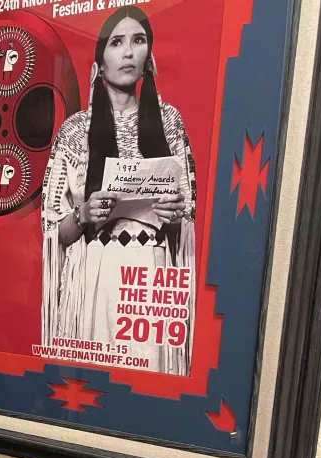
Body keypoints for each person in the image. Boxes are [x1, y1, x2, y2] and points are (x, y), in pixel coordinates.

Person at [41, 6, 197, 376]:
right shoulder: (75, 132)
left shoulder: (169, 122)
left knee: (146, 400)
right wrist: (83, 215)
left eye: (138, 41)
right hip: (94, 280)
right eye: (117, 43)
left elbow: (186, 222)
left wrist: (174, 216)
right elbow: (51, 232)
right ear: (99, 62)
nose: (128, 52)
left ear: (149, 58)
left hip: (149, 282)